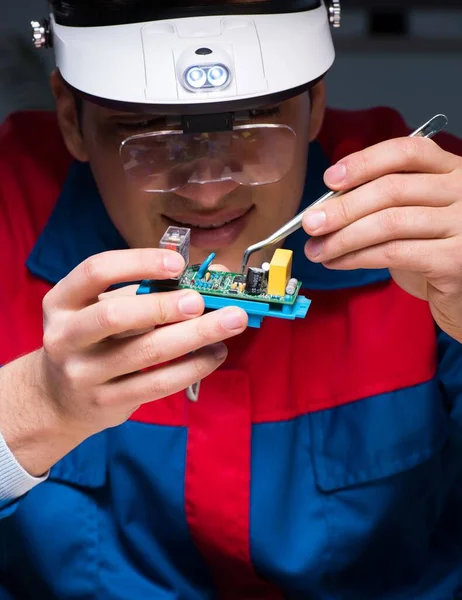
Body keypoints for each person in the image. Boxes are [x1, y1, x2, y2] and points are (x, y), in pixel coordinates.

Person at [1, 0, 462, 598]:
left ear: (315, 101)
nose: (210, 187)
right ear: (71, 117)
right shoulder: (10, 208)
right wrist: (35, 406)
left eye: (255, 120)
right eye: (146, 131)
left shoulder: (435, 211)